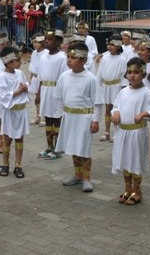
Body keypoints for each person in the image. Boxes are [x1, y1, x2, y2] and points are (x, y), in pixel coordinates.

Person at [111, 57, 150, 205]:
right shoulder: (123, 92)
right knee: (125, 160)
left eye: (136, 72)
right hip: (123, 132)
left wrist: (143, 114)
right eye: (129, 72)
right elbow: (117, 105)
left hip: (137, 134)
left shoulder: (146, 92)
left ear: (143, 74)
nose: (132, 75)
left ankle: (137, 190)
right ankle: (127, 189)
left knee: (135, 160)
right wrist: (115, 112)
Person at [56, 43, 102, 192]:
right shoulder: (64, 76)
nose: (69, 60)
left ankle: (87, 178)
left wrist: (95, 120)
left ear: (83, 60)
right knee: (73, 146)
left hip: (84, 118)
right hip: (69, 116)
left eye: (73, 58)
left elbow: (98, 101)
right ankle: (77, 174)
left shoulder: (90, 78)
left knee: (84, 148)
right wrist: (60, 115)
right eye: (68, 57)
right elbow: (59, 97)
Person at [0, 46, 30, 178]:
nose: (20, 62)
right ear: (9, 62)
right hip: (10, 112)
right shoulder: (3, 76)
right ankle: (5, 164)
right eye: (18, 60)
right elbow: (3, 95)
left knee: (19, 138)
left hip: (20, 111)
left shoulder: (20, 74)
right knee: (7, 138)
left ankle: (18, 165)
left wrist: (25, 87)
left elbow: (25, 84)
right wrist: (17, 91)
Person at [35, 29, 68, 160]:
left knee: (56, 119)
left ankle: (58, 148)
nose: (46, 42)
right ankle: (49, 146)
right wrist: (38, 92)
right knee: (48, 118)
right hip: (45, 90)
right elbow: (40, 76)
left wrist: (62, 96)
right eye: (45, 39)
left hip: (56, 90)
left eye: (49, 40)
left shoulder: (61, 58)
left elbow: (63, 78)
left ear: (58, 42)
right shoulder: (43, 56)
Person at [96, 35, 127, 143]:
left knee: (116, 109)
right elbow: (100, 71)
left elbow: (124, 74)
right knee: (107, 109)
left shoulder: (122, 59)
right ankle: (107, 132)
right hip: (106, 86)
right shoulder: (105, 57)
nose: (109, 47)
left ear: (118, 46)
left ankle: (116, 131)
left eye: (112, 45)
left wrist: (123, 88)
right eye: (108, 44)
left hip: (116, 86)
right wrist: (97, 84)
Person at [28, 33, 46, 127]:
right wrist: (31, 78)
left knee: (42, 97)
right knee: (37, 98)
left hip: (42, 78)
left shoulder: (45, 53)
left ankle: (44, 117)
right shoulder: (34, 53)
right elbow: (32, 65)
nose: (35, 44)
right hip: (35, 77)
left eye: (37, 42)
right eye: (34, 42)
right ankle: (38, 116)